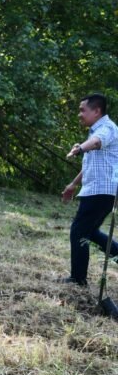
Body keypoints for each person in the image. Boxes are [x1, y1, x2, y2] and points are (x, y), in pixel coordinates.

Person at [60, 93, 118, 285]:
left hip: (102, 191)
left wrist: (79, 149)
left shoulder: (107, 128)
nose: (79, 114)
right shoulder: (97, 129)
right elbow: (91, 165)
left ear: (97, 111)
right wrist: (73, 184)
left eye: (82, 110)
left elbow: (96, 142)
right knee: (90, 231)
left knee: (78, 231)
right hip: (98, 190)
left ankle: (78, 279)